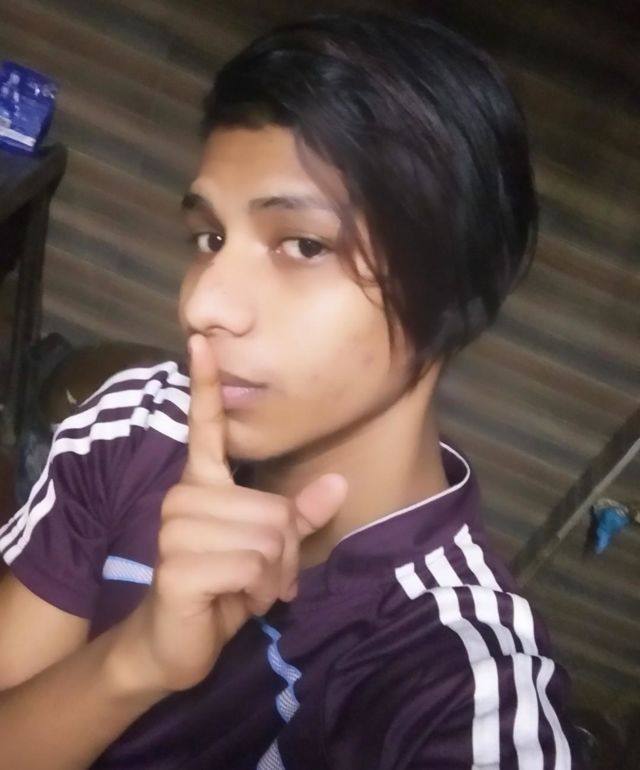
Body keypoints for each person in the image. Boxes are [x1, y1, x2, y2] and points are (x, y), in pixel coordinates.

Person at [0, 12, 580, 769]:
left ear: (454, 297)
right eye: (210, 239)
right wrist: (134, 662)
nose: (203, 304)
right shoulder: (136, 422)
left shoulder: (461, 683)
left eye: (303, 245)